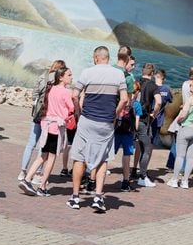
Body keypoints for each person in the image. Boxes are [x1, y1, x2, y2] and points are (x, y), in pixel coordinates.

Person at [67, 46, 128, 213]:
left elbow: (74, 94)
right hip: (106, 123)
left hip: (87, 120)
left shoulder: (87, 72)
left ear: (96, 57)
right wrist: (114, 115)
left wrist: (79, 112)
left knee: (79, 156)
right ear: (108, 58)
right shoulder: (119, 74)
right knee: (103, 158)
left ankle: (75, 197)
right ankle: (99, 197)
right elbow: (124, 99)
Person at [19, 66, 75, 196]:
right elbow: (71, 108)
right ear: (61, 77)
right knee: (51, 157)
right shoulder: (66, 92)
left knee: (43, 155)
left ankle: (27, 179)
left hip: (47, 125)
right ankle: (42, 186)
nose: (71, 77)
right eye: (69, 75)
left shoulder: (51, 89)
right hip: (57, 127)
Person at [167, 79, 193, 189]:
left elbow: (183, 114)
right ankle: (185, 181)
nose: (189, 87)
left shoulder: (190, 99)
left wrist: (179, 120)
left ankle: (175, 180)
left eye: (191, 86)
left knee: (180, 156)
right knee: (190, 157)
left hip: (186, 128)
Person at [132, 62, 162, 186]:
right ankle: (143, 177)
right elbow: (159, 102)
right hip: (144, 119)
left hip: (132, 119)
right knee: (146, 149)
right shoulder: (153, 86)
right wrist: (154, 114)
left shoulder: (136, 82)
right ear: (153, 73)